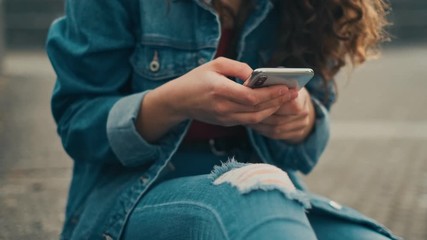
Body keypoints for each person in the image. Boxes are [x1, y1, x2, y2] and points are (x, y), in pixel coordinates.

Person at [46, 0, 400, 239]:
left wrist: (303, 122)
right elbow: (78, 122)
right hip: (131, 195)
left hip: (269, 186)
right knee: (253, 194)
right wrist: (171, 103)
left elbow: (304, 150)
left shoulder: (314, 7)